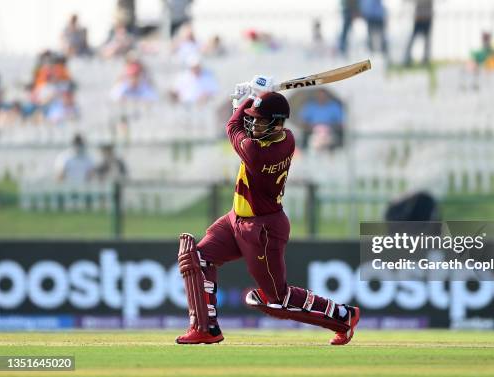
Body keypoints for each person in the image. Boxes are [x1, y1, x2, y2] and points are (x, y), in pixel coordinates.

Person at [174, 76, 360, 345]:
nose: (253, 124)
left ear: (277, 123)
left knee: (278, 299)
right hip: (236, 219)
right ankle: (206, 328)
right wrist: (256, 99)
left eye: (259, 121)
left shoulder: (254, 150)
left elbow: (231, 125)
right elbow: (243, 122)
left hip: (263, 229)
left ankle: (344, 315)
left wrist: (246, 99)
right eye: (252, 119)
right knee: (197, 258)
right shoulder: (289, 138)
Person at [403, 0, 433, 66]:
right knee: (413, 39)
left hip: (427, 17)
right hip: (419, 17)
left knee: (426, 40)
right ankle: (407, 58)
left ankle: (425, 59)